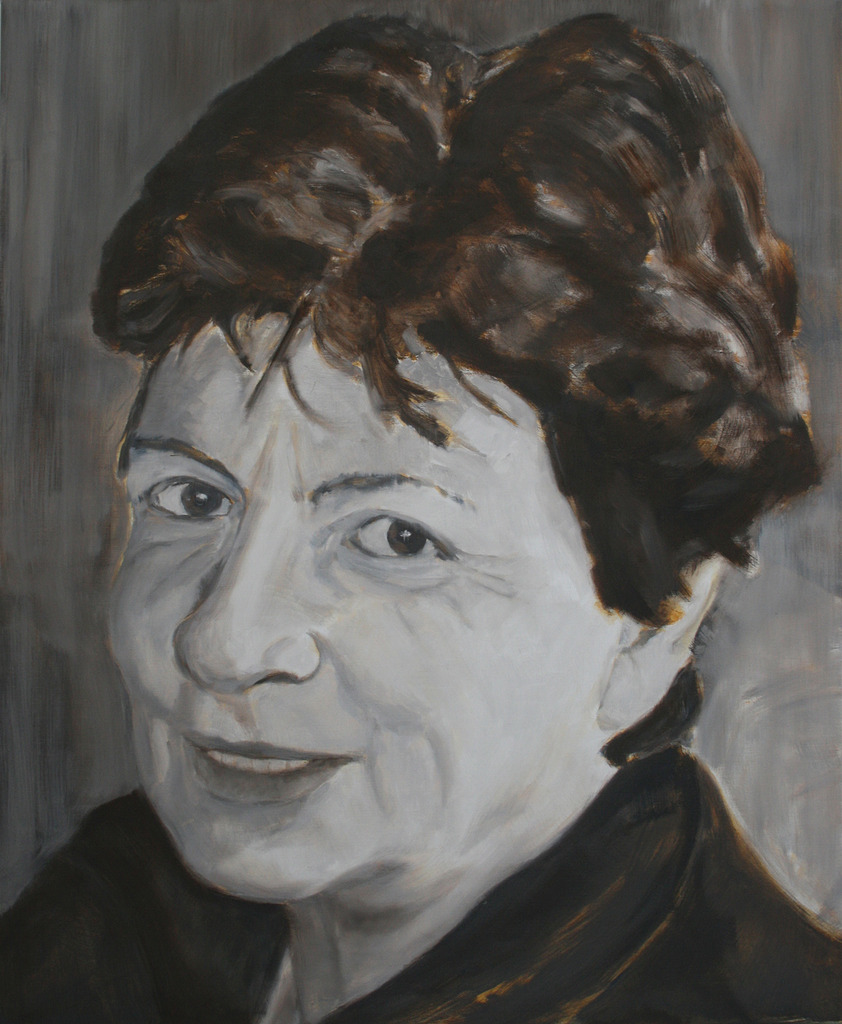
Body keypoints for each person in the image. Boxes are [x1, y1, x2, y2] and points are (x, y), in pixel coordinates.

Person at [1, 13, 840, 1024]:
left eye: (397, 539)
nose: (222, 641)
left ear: (653, 624)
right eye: (193, 499)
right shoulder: (104, 930)